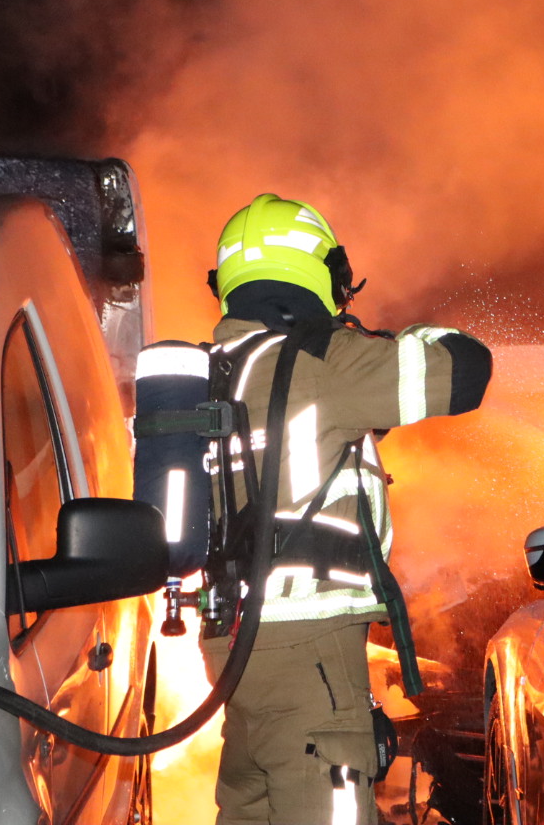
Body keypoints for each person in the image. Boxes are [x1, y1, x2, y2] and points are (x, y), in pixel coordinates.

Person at [197, 193, 491, 825]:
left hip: (232, 646)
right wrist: (402, 337)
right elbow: (467, 369)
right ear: (322, 273)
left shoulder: (215, 371)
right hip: (308, 650)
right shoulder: (324, 360)